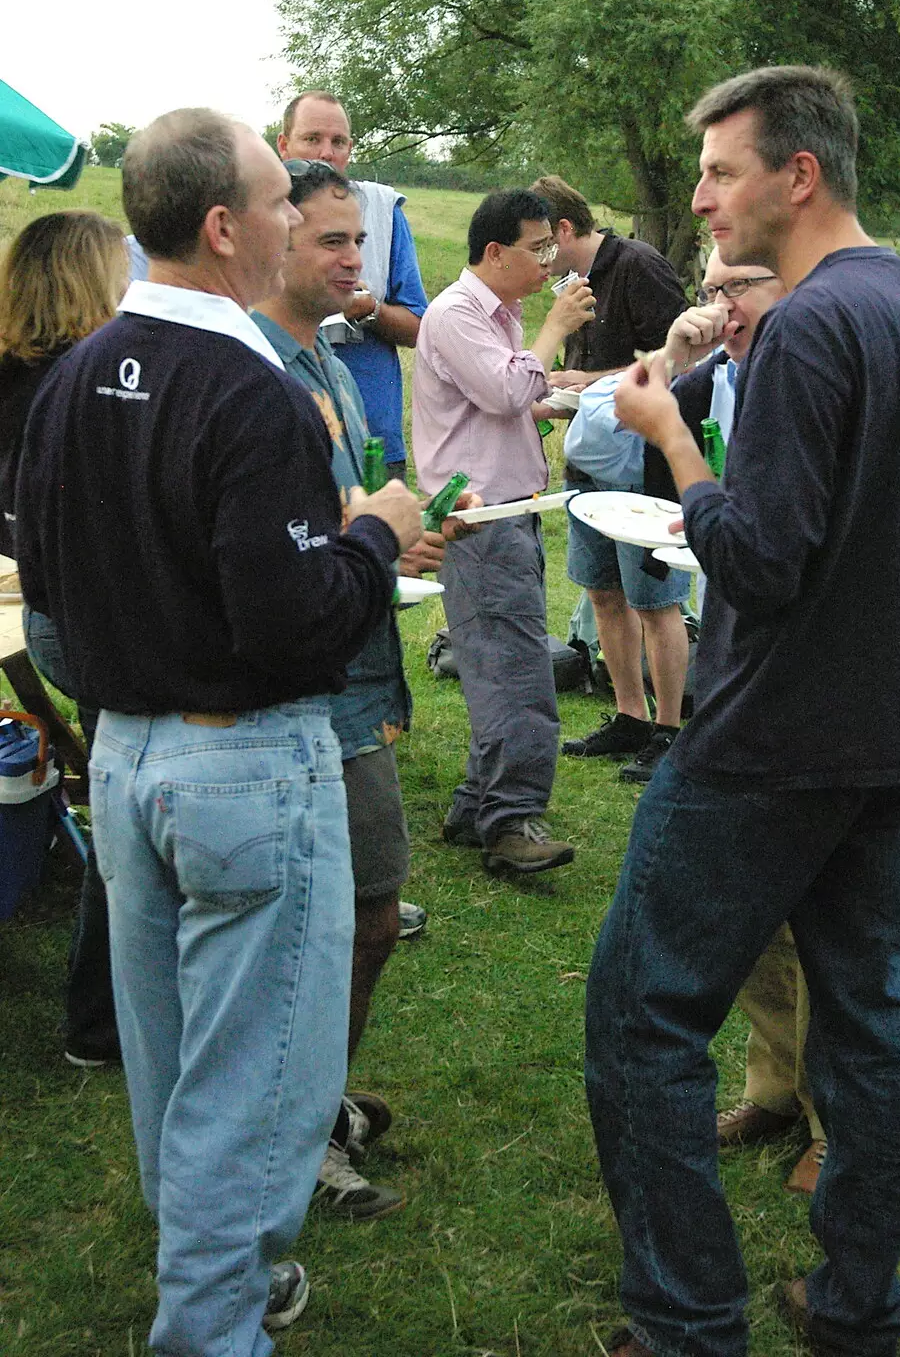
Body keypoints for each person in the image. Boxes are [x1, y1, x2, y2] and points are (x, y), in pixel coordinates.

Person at [585, 66, 900, 1357]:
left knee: (642, 1012)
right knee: (870, 1013)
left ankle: (684, 1323)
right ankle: (856, 1311)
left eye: (722, 171)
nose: (705, 198)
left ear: (799, 175)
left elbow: (760, 558)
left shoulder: (814, 326)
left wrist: (674, 441)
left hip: (771, 742)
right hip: (894, 738)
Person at [16, 108, 425, 1354]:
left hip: (131, 756)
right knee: (252, 1087)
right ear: (225, 225)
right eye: (282, 200)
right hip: (244, 760)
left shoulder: (75, 372)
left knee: (176, 1059)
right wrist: (375, 534)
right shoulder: (251, 390)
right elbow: (294, 628)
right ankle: (210, 1323)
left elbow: (50, 595)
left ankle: (224, 1275)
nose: (302, 222)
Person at [251, 157, 477, 1217]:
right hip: (301, 693)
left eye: (362, 241)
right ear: (269, 239)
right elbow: (265, 547)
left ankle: (310, 1100)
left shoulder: (331, 356)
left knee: (365, 912)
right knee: (337, 918)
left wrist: (400, 536)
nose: (357, 260)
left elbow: (349, 515)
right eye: (333, 240)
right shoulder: (254, 366)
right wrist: (367, 532)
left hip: (354, 671)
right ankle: (296, 1134)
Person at [647, 248, 827, 1196]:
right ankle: (777, 1088)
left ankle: (836, 1123)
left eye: (738, 286)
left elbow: (788, 553)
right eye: (710, 288)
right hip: (739, 666)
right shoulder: (732, 372)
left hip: (810, 689)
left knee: (828, 926)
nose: (721, 306)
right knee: (753, 911)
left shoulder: (817, 361)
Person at [412, 188, 595, 873]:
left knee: (496, 663)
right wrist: (554, 331)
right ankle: (511, 821)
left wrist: (553, 398)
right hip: (481, 519)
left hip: (504, 512)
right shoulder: (459, 314)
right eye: (538, 247)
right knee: (517, 674)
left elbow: (503, 402)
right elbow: (502, 392)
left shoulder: (499, 315)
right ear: (495, 251)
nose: (551, 261)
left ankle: (475, 805)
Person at [0, 211, 126, 1067]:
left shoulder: (12, 374)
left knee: (117, 799)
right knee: (128, 817)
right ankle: (98, 1020)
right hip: (88, 616)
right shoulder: (82, 388)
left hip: (39, 610)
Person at [530, 175, 691, 783]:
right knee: (602, 591)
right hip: (590, 461)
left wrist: (583, 381)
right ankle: (629, 714)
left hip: (644, 465)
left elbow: (680, 359)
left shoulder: (640, 267)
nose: (539, 260)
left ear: (565, 231)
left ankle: (671, 727)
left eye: (542, 244)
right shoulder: (575, 283)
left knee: (655, 600)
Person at [277, 90, 427, 480]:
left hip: (372, 434)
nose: (326, 153)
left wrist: (368, 309)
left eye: (338, 141)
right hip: (288, 435)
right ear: (283, 145)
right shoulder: (252, 217)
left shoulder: (382, 211)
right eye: (312, 139)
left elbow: (419, 328)